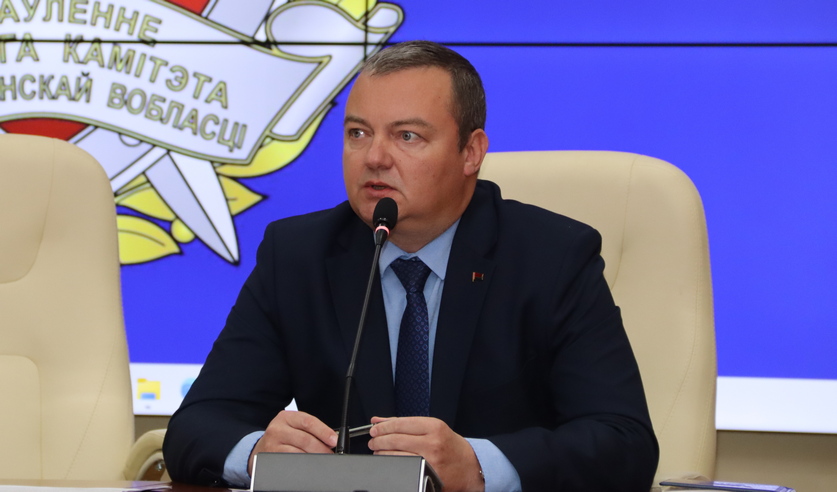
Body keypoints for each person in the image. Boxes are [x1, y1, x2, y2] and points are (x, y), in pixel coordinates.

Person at [163, 40, 658, 491]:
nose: (374, 157)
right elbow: (196, 426)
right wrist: (258, 454)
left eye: (407, 136)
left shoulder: (552, 257)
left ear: (471, 152)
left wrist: (479, 465)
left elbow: (624, 442)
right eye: (358, 133)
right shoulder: (298, 255)